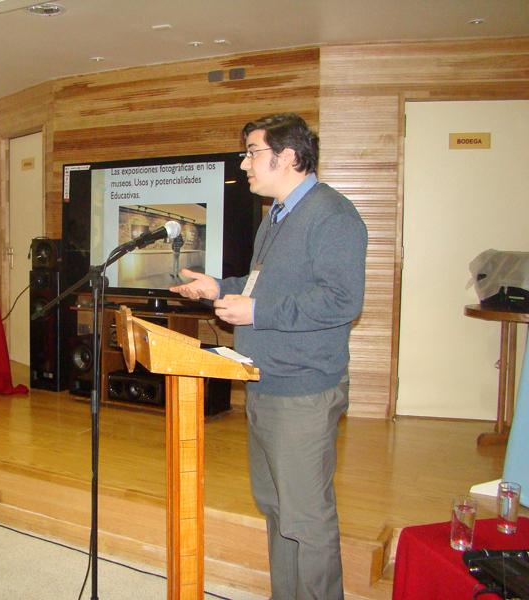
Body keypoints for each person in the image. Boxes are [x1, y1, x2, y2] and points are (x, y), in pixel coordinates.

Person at [170, 113, 367, 600]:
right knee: (278, 509)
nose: (244, 163)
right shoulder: (276, 217)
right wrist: (220, 287)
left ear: (290, 157)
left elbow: (342, 301)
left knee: (306, 517)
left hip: (304, 390)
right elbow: (263, 288)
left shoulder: (333, 216)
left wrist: (255, 310)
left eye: (252, 153)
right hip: (265, 380)